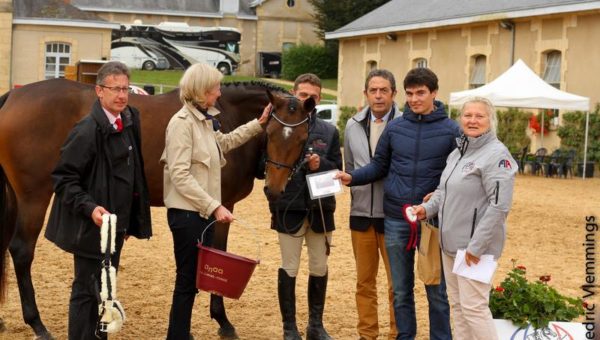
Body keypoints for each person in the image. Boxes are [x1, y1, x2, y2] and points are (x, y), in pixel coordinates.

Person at [336, 67, 458, 340]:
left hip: (432, 222)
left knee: (436, 291)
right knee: (401, 290)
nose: (415, 99)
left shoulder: (452, 131)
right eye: (411, 93)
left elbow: (458, 175)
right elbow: (379, 166)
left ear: (434, 94)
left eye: (421, 93)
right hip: (395, 219)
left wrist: (439, 194)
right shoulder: (395, 128)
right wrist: (351, 177)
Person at [160, 63, 270, 340]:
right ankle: (177, 335)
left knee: (194, 280)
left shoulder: (206, 120)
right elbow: (180, 175)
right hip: (186, 215)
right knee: (186, 280)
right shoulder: (181, 124)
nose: (220, 92)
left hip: (201, 214)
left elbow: (227, 142)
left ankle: (179, 334)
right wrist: (215, 206)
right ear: (202, 91)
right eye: (216, 88)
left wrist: (258, 125)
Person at [45, 61, 152, 340]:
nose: (121, 95)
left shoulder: (129, 121)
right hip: (90, 227)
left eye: (125, 88)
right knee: (86, 290)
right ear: (99, 91)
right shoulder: (86, 130)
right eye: (115, 89)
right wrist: (90, 208)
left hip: (115, 228)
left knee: (106, 289)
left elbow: (133, 175)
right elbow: (63, 179)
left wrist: (129, 223)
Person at [414, 97, 517, 340]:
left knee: (474, 309)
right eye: (468, 115)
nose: (472, 120)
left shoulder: (497, 156)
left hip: (474, 249)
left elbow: (499, 206)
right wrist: (426, 209)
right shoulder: (458, 152)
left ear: (490, 121)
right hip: (450, 245)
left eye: (479, 116)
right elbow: (444, 190)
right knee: (459, 308)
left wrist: (476, 246)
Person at [264, 73, 342, 340]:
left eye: (314, 97)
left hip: (321, 208)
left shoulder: (329, 131)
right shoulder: (278, 125)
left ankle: (315, 325)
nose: (307, 99)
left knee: (319, 266)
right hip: (289, 206)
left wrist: (323, 165)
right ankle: (289, 328)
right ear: (294, 94)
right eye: (302, 94)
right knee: (290, 266)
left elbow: (338, 170)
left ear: (318, 100)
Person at [344, 69, 400, 340]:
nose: (378, 95)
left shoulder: (405, 124)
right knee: (364, 283)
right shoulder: (352, 125)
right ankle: (367, 335)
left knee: (397, 285)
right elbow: (350, 168)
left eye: (384, 90)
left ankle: (396, 334)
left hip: (394, 218)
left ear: (393, 94)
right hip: (361, 215)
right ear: (365, 94)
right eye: (373, 90)